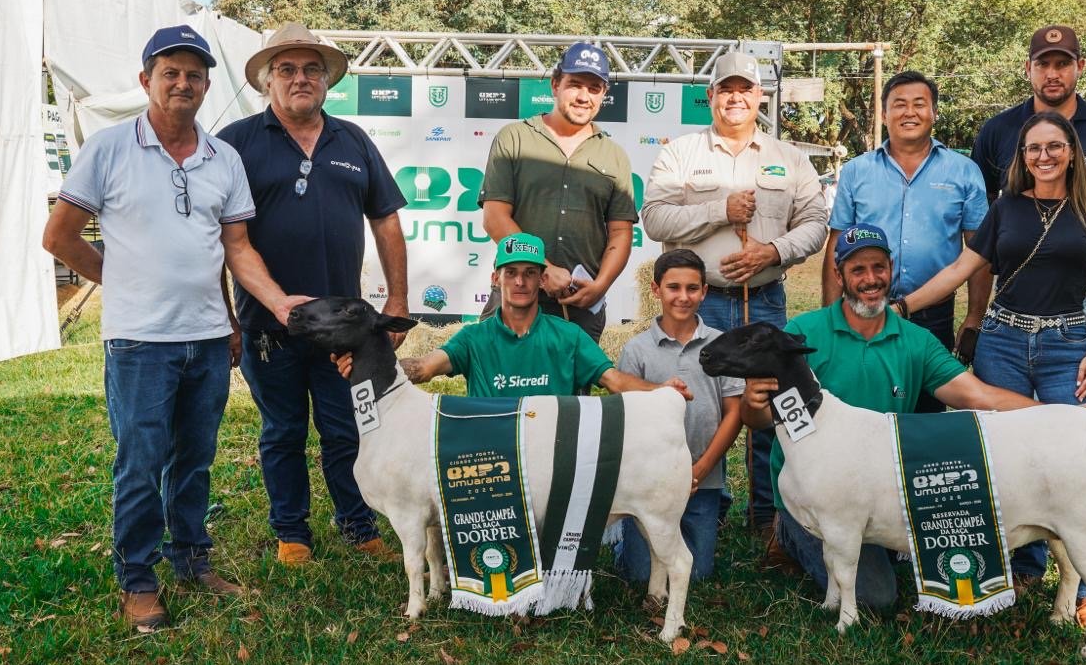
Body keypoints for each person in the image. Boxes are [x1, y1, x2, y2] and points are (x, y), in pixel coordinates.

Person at [42, 25, 308, 630]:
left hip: (210, 338)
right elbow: (58, 236)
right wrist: (123, 281)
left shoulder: (224, 158)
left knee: (195, 458)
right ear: (146, 81)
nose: (183, 82)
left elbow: (233, 247)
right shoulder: (109, 148)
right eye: (170, 72)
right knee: (141, 461)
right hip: (139, 343)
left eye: (194, 74)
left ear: (208, 85)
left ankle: (191, 558)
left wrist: (264, 305)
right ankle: (138, 580)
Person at [739, 224, 1038, 609]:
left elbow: (979, 396)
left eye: (878, 267)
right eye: (858, 270)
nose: (870, 279)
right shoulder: (802, 335)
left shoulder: (915, 341)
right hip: (814, 499)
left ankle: (885, 547)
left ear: (891, 269)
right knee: (873, 598)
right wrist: (752, 402)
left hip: (887, 494)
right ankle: (791, 534)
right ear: (839, 275)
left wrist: (1055, 414)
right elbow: (761, 420)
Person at [906, 111, 1086, 626]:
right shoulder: (1006, 208)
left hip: (1066, 342)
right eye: (1033, 149)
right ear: (1022, 157)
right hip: (1003, 341)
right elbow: (963, 269)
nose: (1043, 157)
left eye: (1053, 147)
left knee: (1070, 457)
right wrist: (904, 307)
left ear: (1071, 151)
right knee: (996, 452)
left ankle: (1081, 583)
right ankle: (1022, 566)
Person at [217, 23, 410, 567]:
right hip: (265, 323)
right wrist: (229, 320)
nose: (300, 78)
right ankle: (292, 533)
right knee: (281, 432)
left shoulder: (352, 140)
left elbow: (387, 224)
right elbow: (222, 239)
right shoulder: (236, 143)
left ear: (326, 81)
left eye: (311, 70)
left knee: (345, 428)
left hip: (342, 329)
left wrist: (396, 303)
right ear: (266, 81)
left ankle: (358, 523)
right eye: (287, 69)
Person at [971, 25, 1086, 561]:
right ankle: (1025, 537)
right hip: (1016, 307)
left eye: (1063, 63)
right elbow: (988, 227)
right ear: (1029, 68)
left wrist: (1077, 247)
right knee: (1013, 425)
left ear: (1079, 67)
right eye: (1043, 63)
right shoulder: (998, 131)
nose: (1053, 73)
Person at [642, 50, 827, 544]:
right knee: (699, 407)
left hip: (763, 302)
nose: (736, 97)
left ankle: (769, 516)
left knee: (773, 405)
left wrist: (772, 250)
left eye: (745, 88)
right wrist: (718, 209)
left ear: (760, 96)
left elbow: (815, 224)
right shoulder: (680, 154)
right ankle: (707, 504)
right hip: (700, 303)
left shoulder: (790, 159)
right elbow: (655, 218)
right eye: (727, 88)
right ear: (711, 97)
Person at [346, 233, 688, 400]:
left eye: (529, 273)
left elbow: (615, 381)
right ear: (496, 279)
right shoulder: (475, 338)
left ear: (543, 279)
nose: (520, 281)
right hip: (490, 458)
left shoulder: (568, 336)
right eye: (511, 273)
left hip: (551, 458)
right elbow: (423, 368)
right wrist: (368, 366)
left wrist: (661, 390)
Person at [822, 71, 989, 413]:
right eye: (899, 105)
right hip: (865, 308)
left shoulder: (964, 171)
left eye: (919, 104)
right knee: (864, 405)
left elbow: (980, 253)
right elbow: (836, 247)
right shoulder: (857, 171)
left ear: (934, 113)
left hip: (934, 315)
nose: (909, 112)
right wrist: (830, 316)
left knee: (928, 409)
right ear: (884, 114)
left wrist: (974, 317)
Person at [478, 43, 638, 342]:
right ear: (555, 85)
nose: (583, 96)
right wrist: (543, 269)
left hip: (580, 305)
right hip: (515, 294)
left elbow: (620, 234)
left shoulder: (614, 156)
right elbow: (495, 218)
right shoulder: (514, 138)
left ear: (603, 94)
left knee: (571, 390)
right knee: (500, 386)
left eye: (594, 88)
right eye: (574, 85)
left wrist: (600, 286)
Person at [613, 249, 744, 582]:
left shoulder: (723, 344)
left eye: (692, 288)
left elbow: (734, 414)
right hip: (649, 481)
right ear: (655, 290)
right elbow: (628, 419)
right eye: (673, 288)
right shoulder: (637, 350)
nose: (683, 297)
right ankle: (624, 540)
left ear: (704, 291)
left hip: (704, 478)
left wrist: (699, 469)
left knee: (696, 574)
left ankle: (707, 517)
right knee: (641, 576)